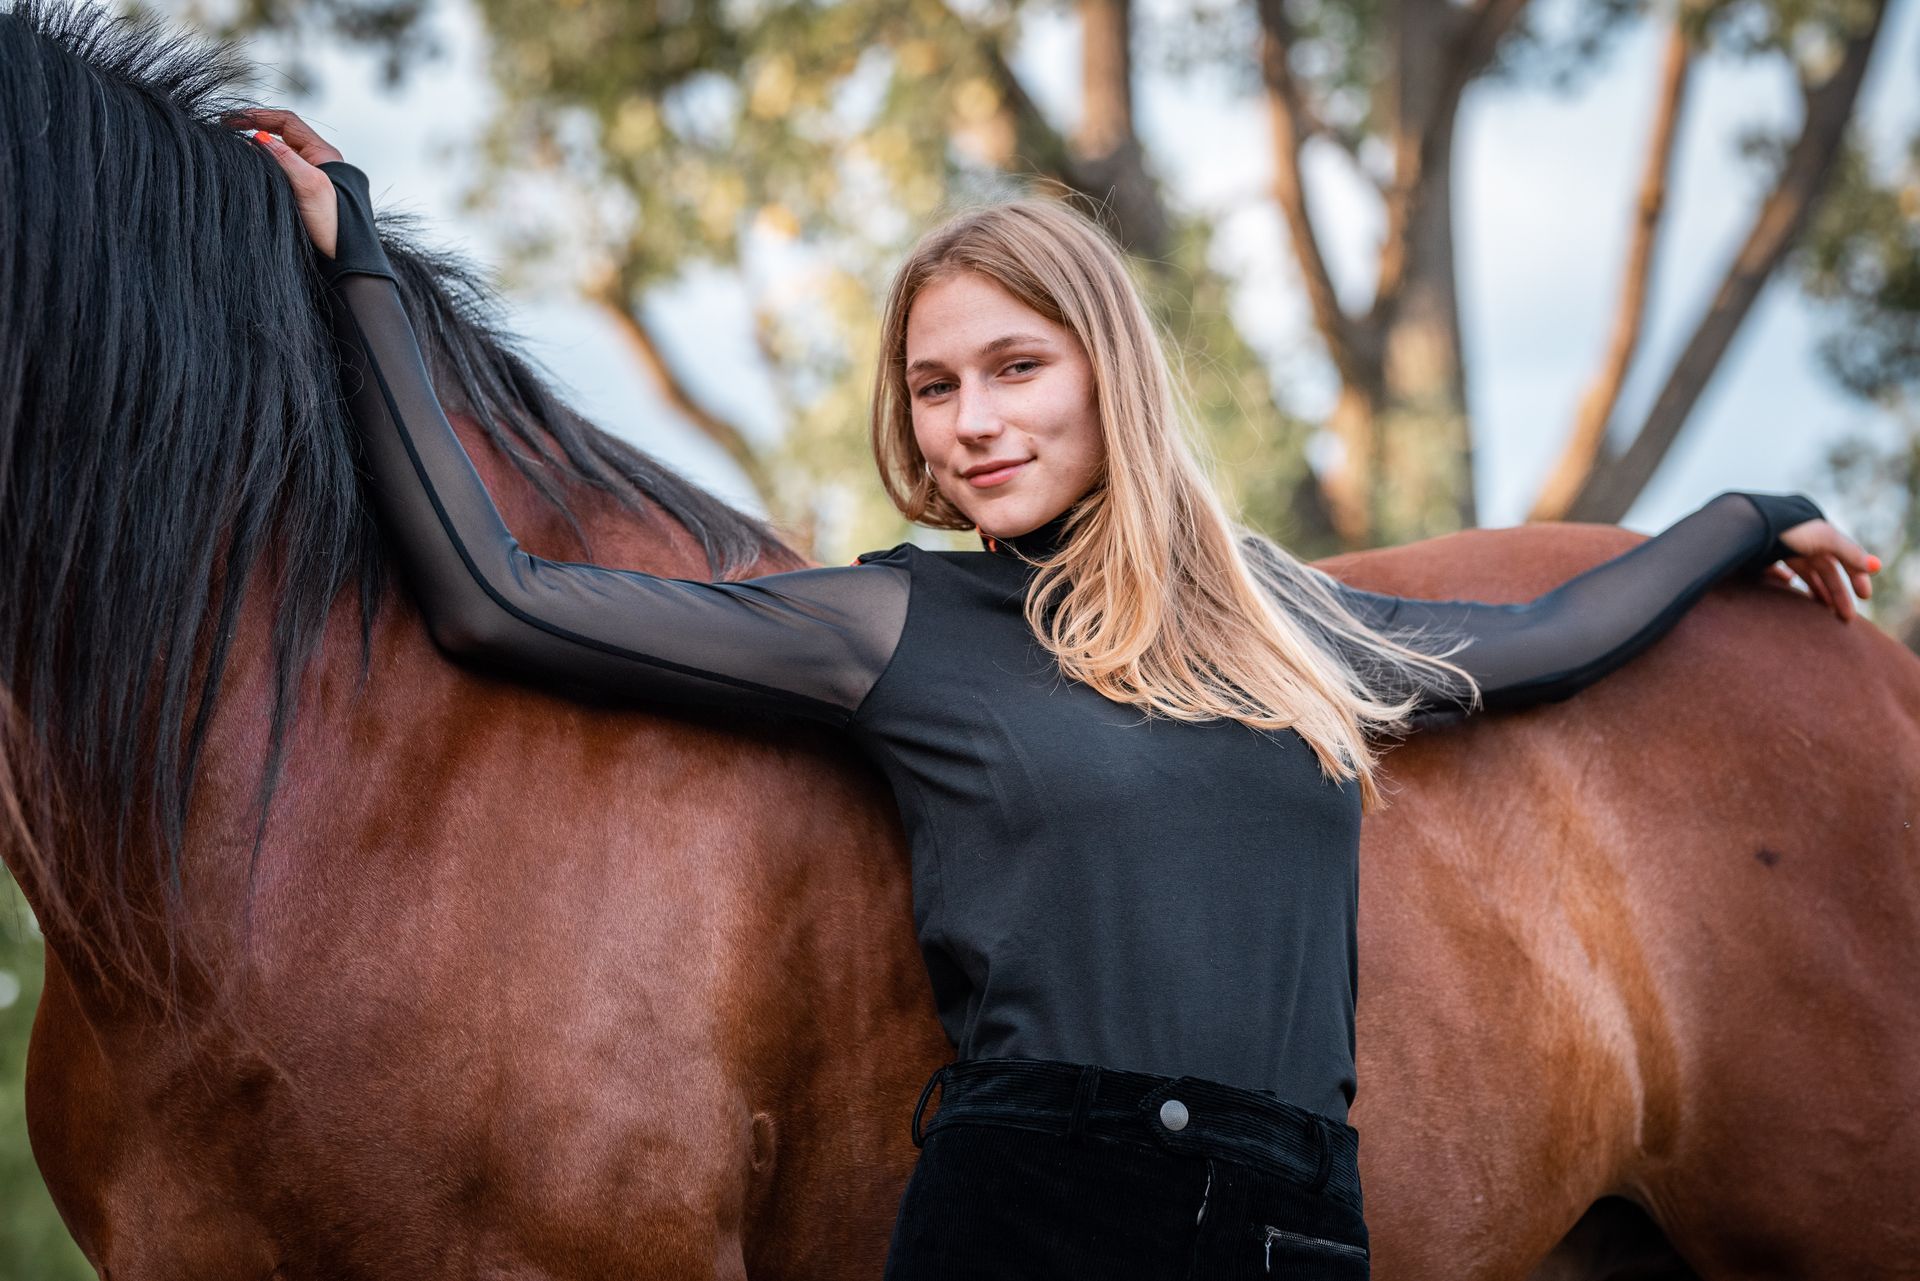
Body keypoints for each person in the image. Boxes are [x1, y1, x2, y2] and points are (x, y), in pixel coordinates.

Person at [234, 108, 1876, 1279]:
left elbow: (1548, 641)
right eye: (935, 387)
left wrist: (1741, 520)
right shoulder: (894, 622)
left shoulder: (1286, 628)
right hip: (1032, 1210)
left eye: (1016, 368)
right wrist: (361, 270)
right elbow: (497, 597)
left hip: (1305, 1217)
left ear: (1109, 369)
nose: (973, 422)